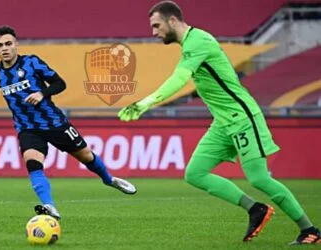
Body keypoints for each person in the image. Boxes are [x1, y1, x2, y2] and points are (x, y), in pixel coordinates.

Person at [118, 1, 320, 245]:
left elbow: (179, 78)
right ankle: (255, 209)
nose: (153, 32)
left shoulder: (198, 41)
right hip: (222, 123)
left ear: (173, 21)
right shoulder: (191, 45)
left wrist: (146, 102)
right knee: (195, 173)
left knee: (259, 179)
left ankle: (309, 229)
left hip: (243, 117)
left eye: (156, 25)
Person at [0, 26, 137, 220]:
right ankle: (49, 205)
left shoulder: (32, 63)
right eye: (0, 45)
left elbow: (60, 83)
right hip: (27, 128)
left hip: (54, 122)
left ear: (16, 45)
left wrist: (42, 93)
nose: (5, 48)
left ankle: (109, 179)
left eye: (8, 44)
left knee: (86, 156)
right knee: (33, 163)